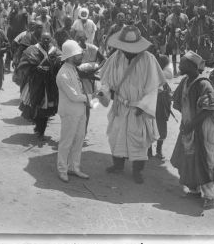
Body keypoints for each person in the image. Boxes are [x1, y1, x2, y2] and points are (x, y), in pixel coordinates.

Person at [98, 25, 165, 184]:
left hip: (138, 108)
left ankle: (137, 171)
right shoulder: (116, 58)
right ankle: (118, 165)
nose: (128, 51)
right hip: (120, 106)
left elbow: (153, 88)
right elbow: (106, 81)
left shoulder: (148, 59)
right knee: (116, 136)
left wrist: (143, 107)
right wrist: (104, 92)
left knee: (139, 141)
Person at [170, 51, 214, 209]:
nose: (179, 66)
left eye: (182, 63)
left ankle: (210, 197)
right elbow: (180, 102)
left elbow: (210, 109)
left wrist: (191, 124)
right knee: (189, 157)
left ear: (191, 66)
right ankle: (194, 190)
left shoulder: (203, 84)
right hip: (190, 126)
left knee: (205, 160)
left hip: (204, 128)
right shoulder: (186, 81)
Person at [56, 40, 91, 182]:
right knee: (66, 142)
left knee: (78, 140)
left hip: (80, 110)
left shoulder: (73, 69)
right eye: (77, 55)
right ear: (70, 57)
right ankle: (62, 169)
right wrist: (91, 97)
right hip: (70, 112)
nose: (80, 57)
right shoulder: (63, 74)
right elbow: (74, 96)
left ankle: (74, 167)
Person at [15, 32, 61, 138]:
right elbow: (24, 64)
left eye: (48, 39)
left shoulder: (54, 50)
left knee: (45, 109)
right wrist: (36, 68)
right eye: (44, 39)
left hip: (49, 84)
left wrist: (53, 65)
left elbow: (61, 61)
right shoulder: (32, 49)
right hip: (36, 83)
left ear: (51, 39)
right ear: (40, 39)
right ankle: (38, 126)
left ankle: (41, 131)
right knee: (36, 105)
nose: (46, 41)